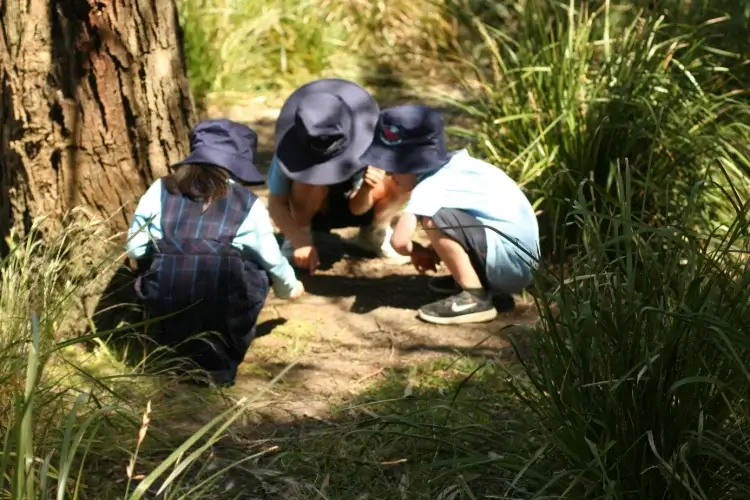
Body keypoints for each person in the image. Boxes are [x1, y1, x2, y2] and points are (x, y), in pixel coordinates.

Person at [125, 119, 304, 387]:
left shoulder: (161, 189)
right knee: (254, 267)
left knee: (158, 264)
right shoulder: (247, 203)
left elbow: (136, 247)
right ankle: (217, 364)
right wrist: (290, 287)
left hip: (164, 305)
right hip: (222, 312)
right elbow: (271, 258)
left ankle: (164, 354)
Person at [359, 105, 540, 325]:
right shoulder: (458, 166)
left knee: (435, 219)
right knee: (443, 218)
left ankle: (475, 298)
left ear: (412, 164)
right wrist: (434, 249)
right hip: (515, 262)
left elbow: (398, 241)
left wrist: (416, 251)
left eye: (392, 167)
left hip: (508, 265)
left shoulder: (431, 185)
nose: (388, 174)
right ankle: (480, 282)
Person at [267, 78, 411, 274]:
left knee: (402, 177)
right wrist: (297, 239)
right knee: (308, 183)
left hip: (355, 206)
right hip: (311, 211)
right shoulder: (288, 153)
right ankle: (302, 233)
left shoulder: (368, 144)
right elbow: (276, 203)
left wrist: (367, 188)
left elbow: (357, 208)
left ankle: (375, 232)